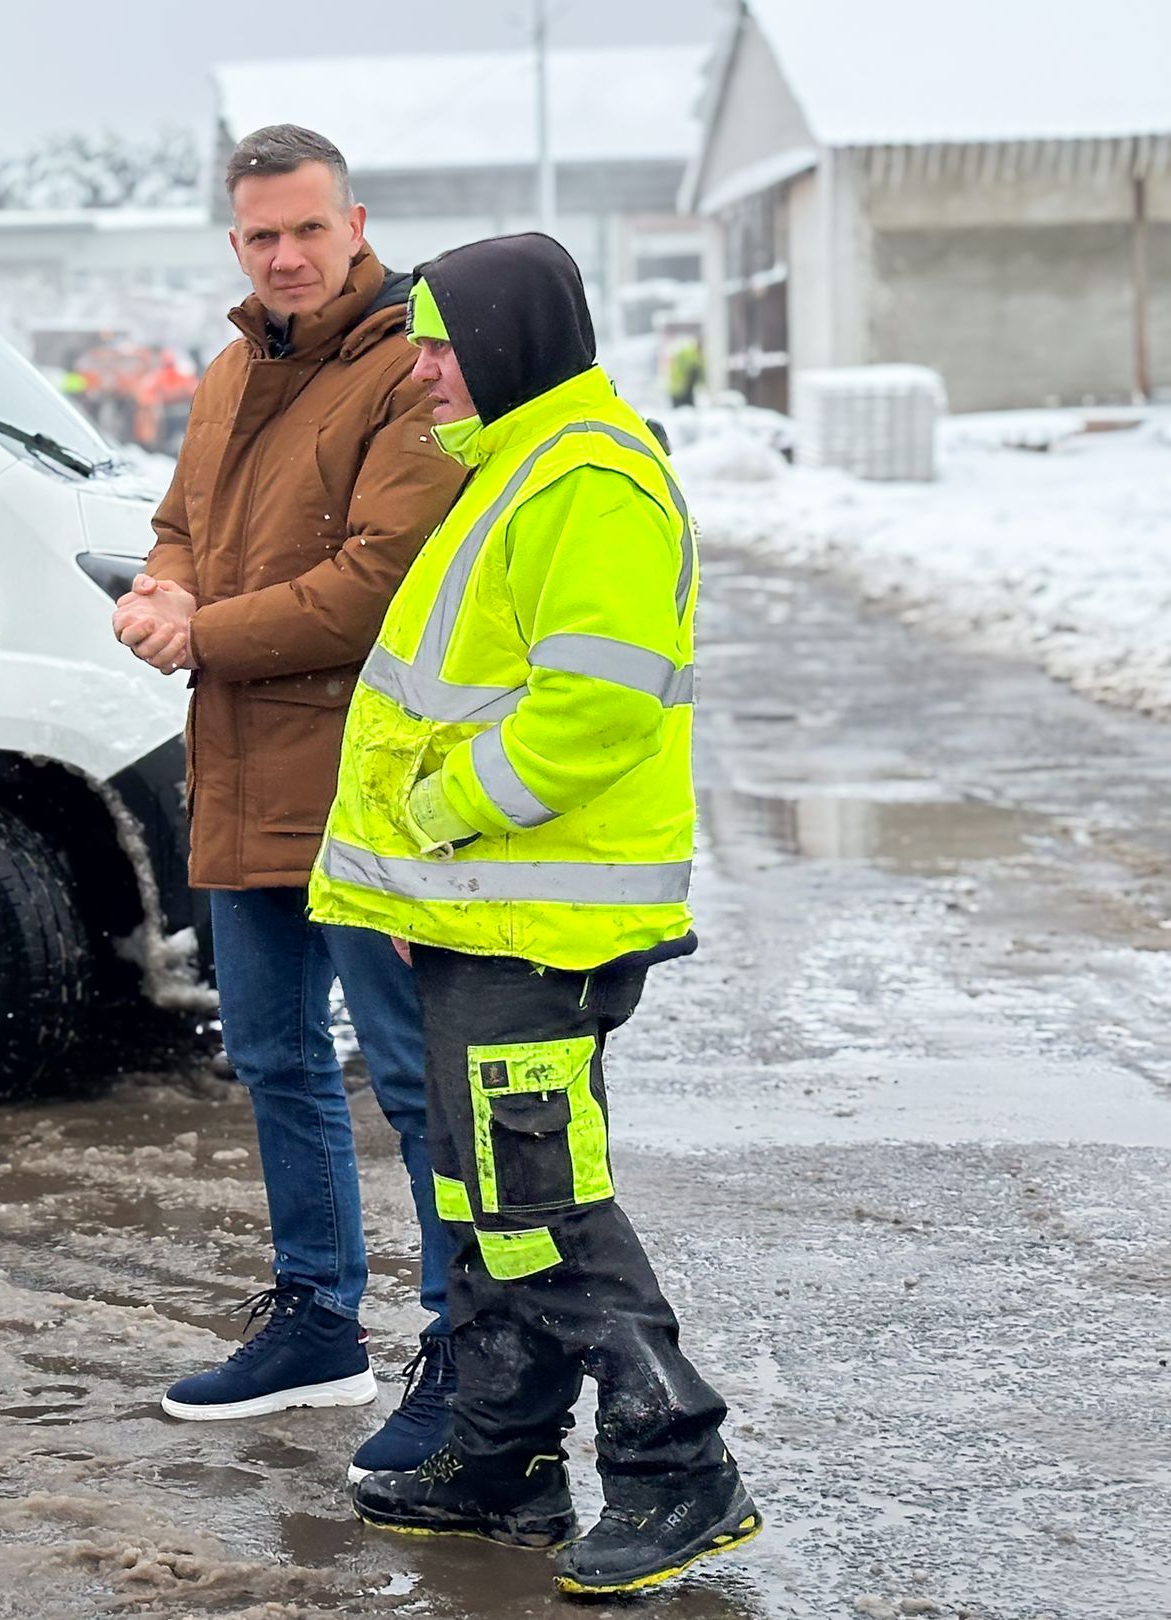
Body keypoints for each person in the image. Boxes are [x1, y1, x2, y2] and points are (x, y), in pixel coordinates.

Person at [309, 233, 762, 1595]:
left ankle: (680, 1467)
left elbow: (595, 710)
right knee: (481, 1192)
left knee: (542, 1203)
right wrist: (420, 893)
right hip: (483, 921)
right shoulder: (515, 473)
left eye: (443, 343)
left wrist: (438, 814)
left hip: (543, 932)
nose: (425, 370)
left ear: (512, 340)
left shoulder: (591, 483)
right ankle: (503, 1456)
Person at [111, 125, 465, 1479]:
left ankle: (458, 1345)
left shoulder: (412, 376)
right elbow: (181, 524)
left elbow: (378, 584)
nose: (286, 255)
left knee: (417, 1087)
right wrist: (158, 587)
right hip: (242, 771)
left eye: (307, 229)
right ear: (236, 245)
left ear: (354, 222)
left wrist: (200, 630)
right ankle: (320, 1320)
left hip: (366, 783)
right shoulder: (225, 372)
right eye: (261, 236)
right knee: (272, 1060)